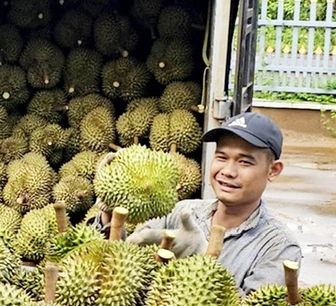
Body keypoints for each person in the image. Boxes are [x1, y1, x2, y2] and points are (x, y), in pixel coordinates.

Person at [126, 112, 301, 295]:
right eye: (222, 157)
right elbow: (127, 253)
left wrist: (204, 262)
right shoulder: (183, 211)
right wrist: (108, 210)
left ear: (273, 170)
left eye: (245, 162)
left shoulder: (279, 246)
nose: (228, 171)